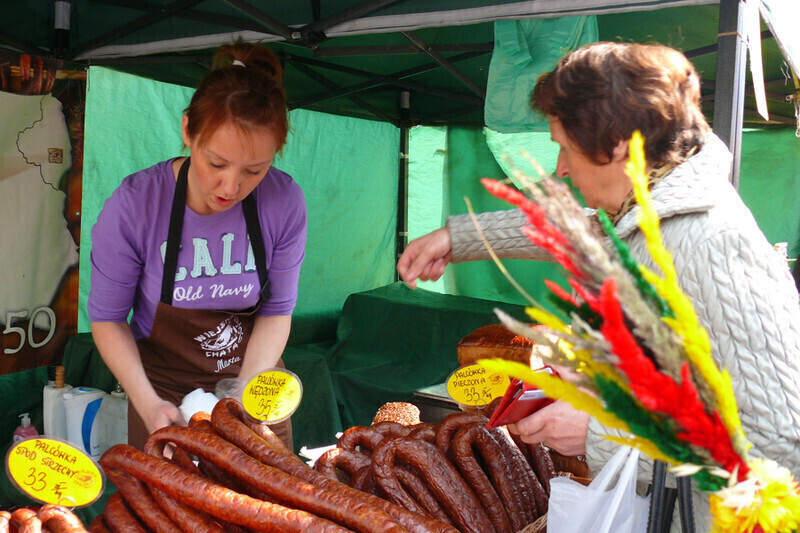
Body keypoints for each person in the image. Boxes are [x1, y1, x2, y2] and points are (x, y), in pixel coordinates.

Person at [398, 41, 800, 530]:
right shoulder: (650, 214)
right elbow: (581, 232)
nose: (560, 169)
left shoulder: (712, 241)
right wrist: (458, 237)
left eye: (565, 148)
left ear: (613, 144)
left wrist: (600, 434)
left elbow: (779, 441)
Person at [88, 42, 306, 451]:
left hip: (255, 384)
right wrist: (149, 404)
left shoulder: (284, 201)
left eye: (254, 170)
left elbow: (277, 311)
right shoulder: (136, 204)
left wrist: (245, 398)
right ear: (188, 130)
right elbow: (108, 319)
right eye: (216, 164)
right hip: (162, 392)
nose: (231, 187)